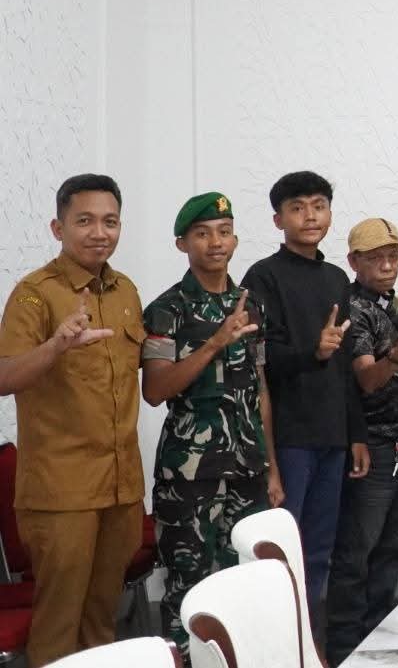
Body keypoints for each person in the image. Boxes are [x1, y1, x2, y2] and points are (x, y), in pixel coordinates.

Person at [0, 175, 144, 665]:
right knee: (58, 625)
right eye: (85, 221)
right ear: (58, 228)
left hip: (121, 487)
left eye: (110, 221)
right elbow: (4, 376)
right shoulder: (34, 294)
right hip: (62, 491)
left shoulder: (126, 291)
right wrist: (56, 346)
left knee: (103, 620)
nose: (99, 233)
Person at [141, 192, 281, 655]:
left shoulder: (252, 305)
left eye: (224, 232)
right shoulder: (166, 309)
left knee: (245, 585)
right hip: (191, 474)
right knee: (190, 590)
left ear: (235, 240)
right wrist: (214, 343)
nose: (215, 243)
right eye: (202, 234)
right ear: (182, 244)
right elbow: (155, 390)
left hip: (248, 468)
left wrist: (272, 468)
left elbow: (260, 389)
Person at [242, 170, 367, 628]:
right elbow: (260, 360)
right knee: (281, 551)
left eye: (318, 206)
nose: (310, 216)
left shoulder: (336, 278)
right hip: (289, 435)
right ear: (278, 220)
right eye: (297, 208)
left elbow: (346, 363)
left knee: (318, 551)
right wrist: (313, 351)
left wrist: (356, 433)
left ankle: (309, 643)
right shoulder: (263, 276)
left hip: (332, 435)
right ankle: (276, 642)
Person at [326, 218, 398, 664]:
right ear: (354, 262)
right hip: (372, 446)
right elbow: (368, 380)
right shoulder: (355, 309)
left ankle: (378, 644)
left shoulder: (391, 304)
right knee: (357, 553)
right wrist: (397, 354)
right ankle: (345, 650)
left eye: (393, 256)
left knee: (391, 549)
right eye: (376, 258)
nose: (388, 265)